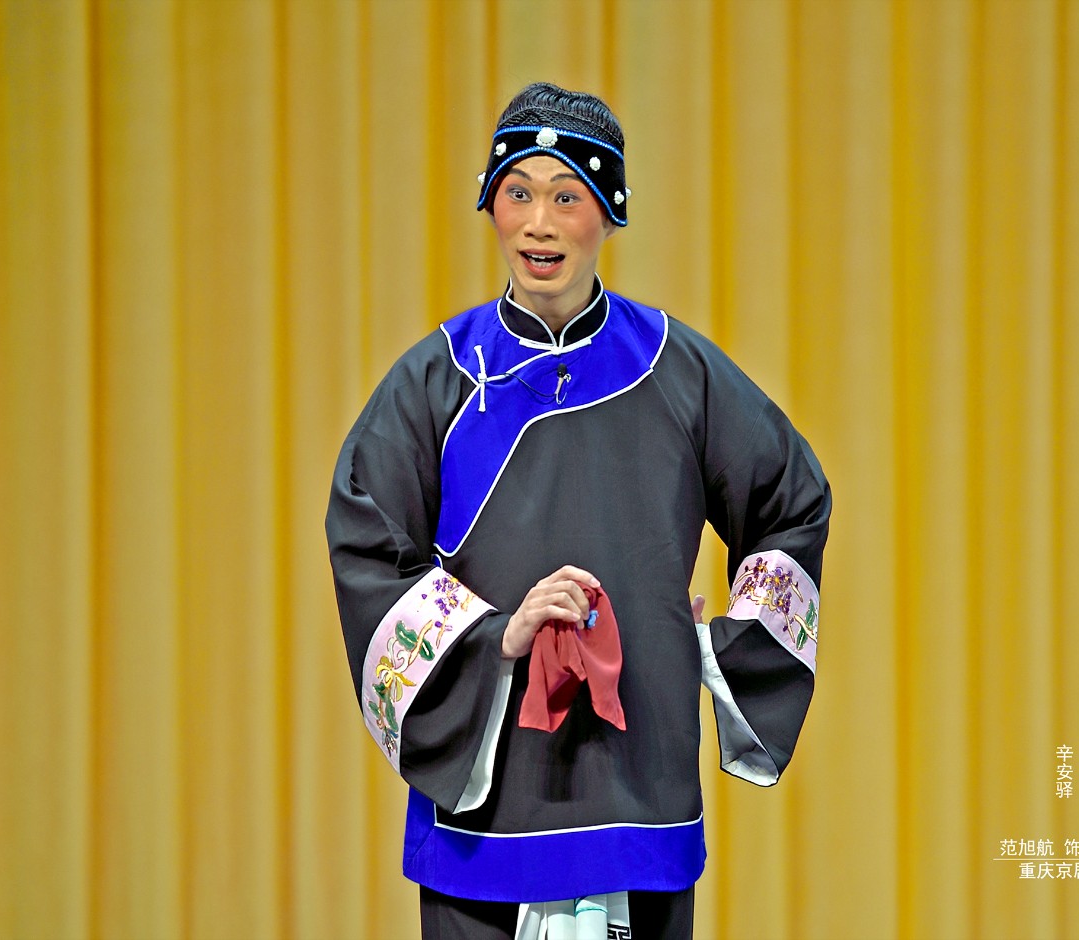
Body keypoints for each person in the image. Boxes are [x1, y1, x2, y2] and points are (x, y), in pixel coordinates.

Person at [326, 82, 831, 940]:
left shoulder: (674, 368)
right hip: (488, 795)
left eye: (568, 197)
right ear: (490, 206)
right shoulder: (438, 379)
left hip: (639, 775)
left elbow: (793, 498)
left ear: (609, 214)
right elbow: (367, 541)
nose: (539, 224)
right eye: (518, 193)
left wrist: (717, 646)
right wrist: (496, 638)